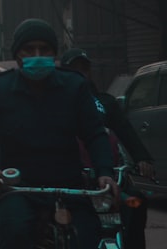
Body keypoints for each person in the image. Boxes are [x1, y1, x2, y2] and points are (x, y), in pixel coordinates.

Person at [0, 19, 119, 249]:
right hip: (18, 190)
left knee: (91, 238)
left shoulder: (74, 87)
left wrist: (105, 172)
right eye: (29, 49)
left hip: (72, 188)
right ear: (17, 55)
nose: (37, 54)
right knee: (15, 233)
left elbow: (95, 135)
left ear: (54, 53)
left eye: (44, 49)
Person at [61, 48, 154, 249]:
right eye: (73, 69)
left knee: (137, 203)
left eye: (83, 69)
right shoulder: (56, 103)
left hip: (110, 181)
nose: (80, 74)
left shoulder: (105, 102)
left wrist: (141, 159)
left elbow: (125, 131)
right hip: (73, 184)